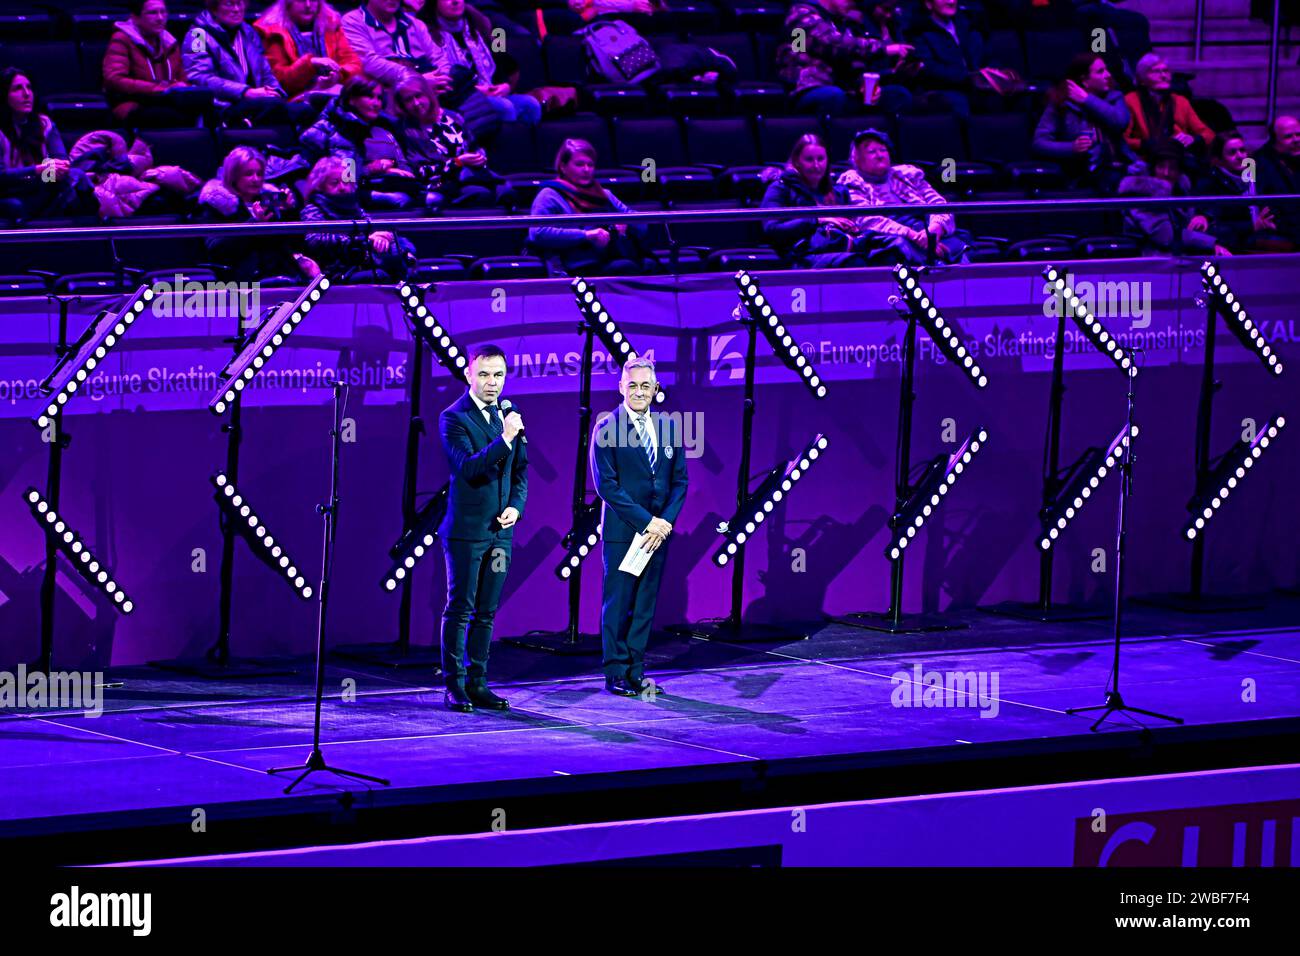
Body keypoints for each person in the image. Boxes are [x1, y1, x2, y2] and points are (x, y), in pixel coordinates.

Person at [436, 343, 528, 713]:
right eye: (485, 374)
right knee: (460, 609)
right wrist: (505, 438)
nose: (493, 383)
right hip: (466, 530)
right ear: (469, 375)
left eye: (499, 375)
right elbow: (470, 469)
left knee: (487, 611)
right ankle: (453, 685)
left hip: (500, 533)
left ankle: (478, 682)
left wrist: (516, 508)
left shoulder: (508, 414)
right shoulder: (453, 418)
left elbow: (520, 471)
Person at [590, 356, 687, 698]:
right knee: (618, 603)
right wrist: (648, 522)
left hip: (657, 535)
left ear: (656, 389)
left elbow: (680, 482)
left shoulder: (669, 427)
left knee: (645, 604)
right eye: (632, 385)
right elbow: (607, 486)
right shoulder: (606, 428)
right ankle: (615, 671)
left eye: (646, 385)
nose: (639, 391)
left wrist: (664, 524)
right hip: (623, 533)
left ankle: (636, 670)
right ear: (621, 387)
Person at [837, 127, 967, 264]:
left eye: (883, 150)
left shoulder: (908, 175)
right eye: (872, 152)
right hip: (892, 235)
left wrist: (935, 228)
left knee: (961, 246)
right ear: (856, 159)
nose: (880, 155)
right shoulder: (852, 181)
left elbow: (938, 203)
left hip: (926, 229)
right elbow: (866, 219)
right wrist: (913, 235)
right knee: (901, 248)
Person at [183, 0, 315, 127]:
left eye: (240, 3)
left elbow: (265, 71)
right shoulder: (197, 35)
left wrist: (276, 92)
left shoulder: (247, 31)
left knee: (306, 110)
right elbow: (200, 77)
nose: (236, 9)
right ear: (214, 7)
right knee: (278, 108)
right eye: (229, 3)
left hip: (256, 102)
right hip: (223, 106)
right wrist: (245, 92)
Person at [392, 73, 514, 210]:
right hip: (442, 184)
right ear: (402, 105)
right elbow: (421, 172)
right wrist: (458, 162)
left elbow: (473, 146)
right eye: (408, 100)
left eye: (418, 95)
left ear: (428, 94)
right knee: (480, 194)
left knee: (507, 191)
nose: (416, 103)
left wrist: (479, 156)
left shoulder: (453, 117)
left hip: (470, 175)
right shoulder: (407, 130)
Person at [197, 145, 320, 280]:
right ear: (233, 176)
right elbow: (218, 251)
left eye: (259, 174)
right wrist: (254, 224)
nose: (255, 179)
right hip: (242, 276)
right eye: (248, 174)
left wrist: (289, 213)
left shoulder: (269, 201)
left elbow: (293, 244)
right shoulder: (217, 204)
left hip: (279, 272)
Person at [528, 138, 648, 276]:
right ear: (563, 166)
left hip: (608, 258)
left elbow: (642, 223)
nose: (586, 170)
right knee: (625, 268)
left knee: (648, 265)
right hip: (574, 266)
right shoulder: (549, 195)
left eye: (590, 165)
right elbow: (538, 233)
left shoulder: (604, 194)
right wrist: (586, 236)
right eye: (579, 164)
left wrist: (626, 225)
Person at [415, 0, 541, 127]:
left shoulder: (480, 23)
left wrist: (505, 85)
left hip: (489, 89)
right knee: (504, 107)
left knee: (530, 105)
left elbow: (502, 59)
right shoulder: (425, 31)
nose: (455, 1)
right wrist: (474, 91)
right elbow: (439, 79)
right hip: (459, 100)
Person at [777, 0, 912, 116]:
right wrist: (882, 48)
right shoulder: (800, 15)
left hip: (843, 89)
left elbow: (851, 61)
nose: (851, 5)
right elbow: (831, 43)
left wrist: (861, 84)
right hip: (806, 87)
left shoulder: (843, 23)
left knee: (898, 95)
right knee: (833, 96)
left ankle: (875, 143)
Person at [300, 76, 416, 208]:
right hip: (337, 196)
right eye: (369, 97)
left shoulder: (379, 128)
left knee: (431, 198)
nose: (376, 103)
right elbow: (343, 179)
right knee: (400, 199)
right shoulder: (329, 130)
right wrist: (373, 169)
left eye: (379, 98)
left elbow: (401, 162)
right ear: (351, 99)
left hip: (366, 185)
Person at [1032, 52, 1136, 191]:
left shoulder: (1115, 97)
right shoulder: (1060, 103)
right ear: (1084, 80)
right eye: (1100, 72)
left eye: (1106, 70)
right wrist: (1071, 147)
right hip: (1078, 173)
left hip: (1119, 167)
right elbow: (1039, 144)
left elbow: (1120, 122)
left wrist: (1088, 100)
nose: (1108, 75)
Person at [103, 0, 215, 128]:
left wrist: (183, 87)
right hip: (134, 103)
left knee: (209, 109)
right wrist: (160, 89)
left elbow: (183, 77)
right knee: (167, 116)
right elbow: (114, 79)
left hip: (166, 100)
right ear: (135, 18)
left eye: (163, 12)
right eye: (152, 13)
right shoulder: (121, 39)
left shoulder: (169, 42)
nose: (160, 18)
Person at [760, 133, 865, 268]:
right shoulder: (780, 188)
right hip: (803, 254)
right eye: (809, 160)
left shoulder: (838, 191)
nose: (816, 165)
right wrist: (817, 220)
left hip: (840, 247)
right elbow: (772, 229)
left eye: (821, 159)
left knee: (888, 252)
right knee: (855, 262)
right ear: (797, 161)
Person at [0, 69, 94, 219]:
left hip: (39, 183)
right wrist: (37, 169)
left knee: (76, 177)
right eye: (17, 89)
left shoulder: (44, 123)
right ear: (4, 95)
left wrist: (55, 169)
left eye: (29, 88)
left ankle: (91, 232)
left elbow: (61, 160)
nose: (26, 94)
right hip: (9, 189)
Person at [301, 155, 416, 278]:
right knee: (381, 275)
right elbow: (314, 240)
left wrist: (383, 236)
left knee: (398, 242)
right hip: (338, 269)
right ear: (320, 185)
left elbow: (371, 228)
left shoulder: (353, 206)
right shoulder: (313, 208)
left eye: (345, 182)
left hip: (362, 260)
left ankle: (407, 258)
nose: (342, 187)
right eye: (334, 183)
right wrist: (362, 239)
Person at [908, 0, 1017, 118]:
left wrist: (995, 71)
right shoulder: (921, 33)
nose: (951, 1)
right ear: (928, 4)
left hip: (978, 87)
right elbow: (930, 69)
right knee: (960, 103)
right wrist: (969, 77)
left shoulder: (968, 27)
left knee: (1012, 97)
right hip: (947, 89)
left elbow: (987, 56)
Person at [1118, 141, 1224, 256]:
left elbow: (1186, 223)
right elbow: (1166, 236)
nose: (1166, 173)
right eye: (1161, 166)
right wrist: (1210, 243)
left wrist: (1201, 217)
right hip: (1150, 260)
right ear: (1153, 169)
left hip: (1179, 255)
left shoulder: (1180, 189)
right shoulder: (1141, 194)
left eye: (1172, 168)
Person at [1195, 130, 1294, 253]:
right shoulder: (1209, 184)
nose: (1240, 156)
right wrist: (1252, 226)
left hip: (1266, 235)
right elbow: (1214, 228)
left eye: (1242, 150)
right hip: (1237, 245)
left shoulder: (1259, 175)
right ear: (1218, 159)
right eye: (1232, 153)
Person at [254, 0, 363, 101]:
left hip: (334, 92)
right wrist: (310, 64)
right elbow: (280, 81)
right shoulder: (271, 31)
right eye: (301, 0)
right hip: (295, 100)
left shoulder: (332, 23)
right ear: (287, 2)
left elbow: (354, 64)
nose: (308, 5)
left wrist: (337, 75)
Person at [340, 0, 451, 92]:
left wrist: (443, 78)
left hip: (431, 80)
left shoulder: (415, 23)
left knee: (462, 77)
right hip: (389, 88)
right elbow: (369, 62)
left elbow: (438, 57)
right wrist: (417, 80)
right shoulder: (353, 21)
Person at [1123, 54, 1214, 156]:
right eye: (1156, 72)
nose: (1163, 76)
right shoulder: (1131, 100)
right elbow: (1122, 140)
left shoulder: (1180, 101)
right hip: (1143, 161)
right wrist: (1147, 144)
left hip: (1177, 161)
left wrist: (1193, 139)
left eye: (1166, 71)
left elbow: (1208, 134)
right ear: (1142, 80)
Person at [1253, 115, 1300, 247]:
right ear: (1274, 140)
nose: (1296, 140)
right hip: (1280, 228)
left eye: (1298, 134)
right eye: (1288, 137)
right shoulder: (1255, 162)